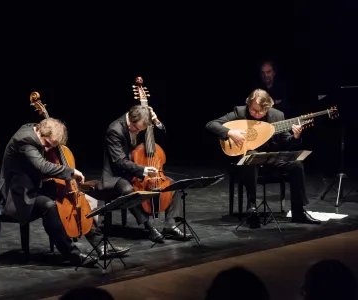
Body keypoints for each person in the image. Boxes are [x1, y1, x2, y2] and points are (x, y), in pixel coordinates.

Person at [0, 118, 129, 266]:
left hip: (34, 184)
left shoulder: (37, 131)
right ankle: (73, 255)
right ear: (39, 131)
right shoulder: (25, 139)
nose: (47, 149)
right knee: (48, 206)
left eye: (51, 146)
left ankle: (100, 245)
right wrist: (71, 171)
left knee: (74, 196)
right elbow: (42, 167)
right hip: (19, 193)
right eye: (46, 144)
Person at [205, 89, 321, 224]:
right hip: (246, 164)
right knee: (252, 156)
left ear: (268, 108)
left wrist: (295, 137)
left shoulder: (278, 116)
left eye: (261, 111)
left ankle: (298, 211)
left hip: (269, 161)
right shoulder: (239, 112)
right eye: (253, 110)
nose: (256, 114)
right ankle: (252, 208)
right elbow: (211, 124)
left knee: (297, 164)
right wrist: (230, 132)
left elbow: (286, 141)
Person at [102, 104, 191, 243]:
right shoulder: (115, 130)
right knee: (128, 190)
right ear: (130, 121)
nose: (138, 132)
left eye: (141, 130)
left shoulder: (141, 126)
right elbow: (119, 161)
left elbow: (161, 140)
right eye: (136, 129)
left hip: (138, 168)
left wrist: (156, 122)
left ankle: (170, 225)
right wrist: (143, 170)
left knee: (173, 184)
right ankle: (149, 228)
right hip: (118, 174)